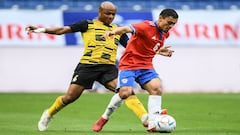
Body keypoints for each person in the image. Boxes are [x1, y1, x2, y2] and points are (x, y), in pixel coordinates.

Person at [26, 1, 149, 131]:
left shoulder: (118, 29)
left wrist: (156, 49)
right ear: (100, 12)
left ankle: (145, 118)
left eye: (113, 14)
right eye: (108, 14)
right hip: (87, 67)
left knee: (126, 91)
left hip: (108, 68)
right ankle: (49, 114)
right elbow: (62, 30)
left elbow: (132, 47)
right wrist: (40, 29)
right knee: (69, 98)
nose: (111, 17)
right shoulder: (88, 24)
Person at [93, 8, 178, 132]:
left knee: (157, 88)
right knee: (125, 93)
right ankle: (104, 118)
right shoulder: (145, 26)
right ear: (160, 18)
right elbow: (126, 29)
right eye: (169, 22)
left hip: (146, 66)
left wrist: (159, 51)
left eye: (173, 24)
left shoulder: (165, 33)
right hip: (129, 65)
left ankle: (153, 124)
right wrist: (113, 32)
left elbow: (148, 46)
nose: (170, 26)